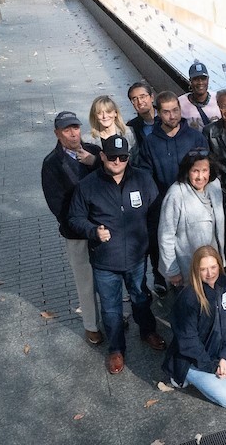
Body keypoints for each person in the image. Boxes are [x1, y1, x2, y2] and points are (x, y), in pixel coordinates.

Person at [67, 134, 167, 374]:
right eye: (112, 157)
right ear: (102, 156)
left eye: (123, 157)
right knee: (111, 308)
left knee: (140, 297)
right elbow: (74, 218)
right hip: (105, 260)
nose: (117, 161)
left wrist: (148, 242)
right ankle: (115, 349)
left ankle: (147, 331)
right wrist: (93, 231)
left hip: (136, 257)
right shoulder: (88, 186)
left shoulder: (143, 179)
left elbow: (155, 213)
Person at [163, 245, 226, 408]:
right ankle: (185, 373)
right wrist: (213, 366)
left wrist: (223, 356)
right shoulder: (188, 298)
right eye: (203, 269)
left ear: (219, 264)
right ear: (196, 270)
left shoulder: (225, 283)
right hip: (193, 357)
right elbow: (188, 341)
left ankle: (216, 370)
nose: (210, 274)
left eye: (213, 267)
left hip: (217, 345)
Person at [131, 90, 207, 293]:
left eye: (175, 110)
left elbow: (206, 169)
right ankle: (163, 277)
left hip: (193, 204)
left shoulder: (195, 137)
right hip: (162, 204)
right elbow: (145, 175)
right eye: (166, 112)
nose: (172, 116)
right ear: (158, 113)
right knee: (163, 242)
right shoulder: (150, 143)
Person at [40, 110, 103, 344]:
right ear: (57, 134)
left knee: (108, 276)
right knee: (85, 279)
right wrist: (82, 225)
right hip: (77, 233)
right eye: (67, 129)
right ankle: (91, 324)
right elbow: (56, 203)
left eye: (75, 127)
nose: (73, 133)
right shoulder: (51, 163)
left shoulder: (95, 152)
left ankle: (112, 316)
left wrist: (95, 163)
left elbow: (112, 179)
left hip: (104, 228)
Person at [158, 149, 226, 291]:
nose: (200, 176)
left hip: (211, 268)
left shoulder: (215, 186)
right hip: (187, 270)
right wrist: (173, 270)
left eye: (205, 170)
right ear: (187, 171)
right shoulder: (176, 194)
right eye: (195, 171)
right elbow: (166, 236)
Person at [178, 61, 220, 132]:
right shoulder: (180, 102)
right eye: (196, 79)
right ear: (190, 81)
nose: (200, 83)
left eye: (203, 79)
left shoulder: (218, 98)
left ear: (208, 80)